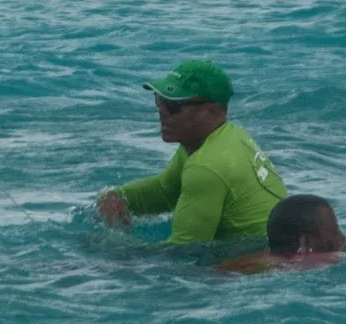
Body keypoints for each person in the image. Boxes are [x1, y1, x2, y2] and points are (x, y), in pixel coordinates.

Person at [96, 60, 287, 243]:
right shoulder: (221, 136)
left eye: (173, 106)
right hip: (276, 246)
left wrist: (115, 253)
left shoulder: (207, 166)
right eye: (159, 100)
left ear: (211, 111)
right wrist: (118, 197)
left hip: (258, 263)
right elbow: (166, 190)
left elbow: (181, 254)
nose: (161, 111)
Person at [219, 194, 346, 273]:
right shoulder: (316, 263)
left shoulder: (245, 263)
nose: (343, 237)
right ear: (306, 242)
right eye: (334, 230)